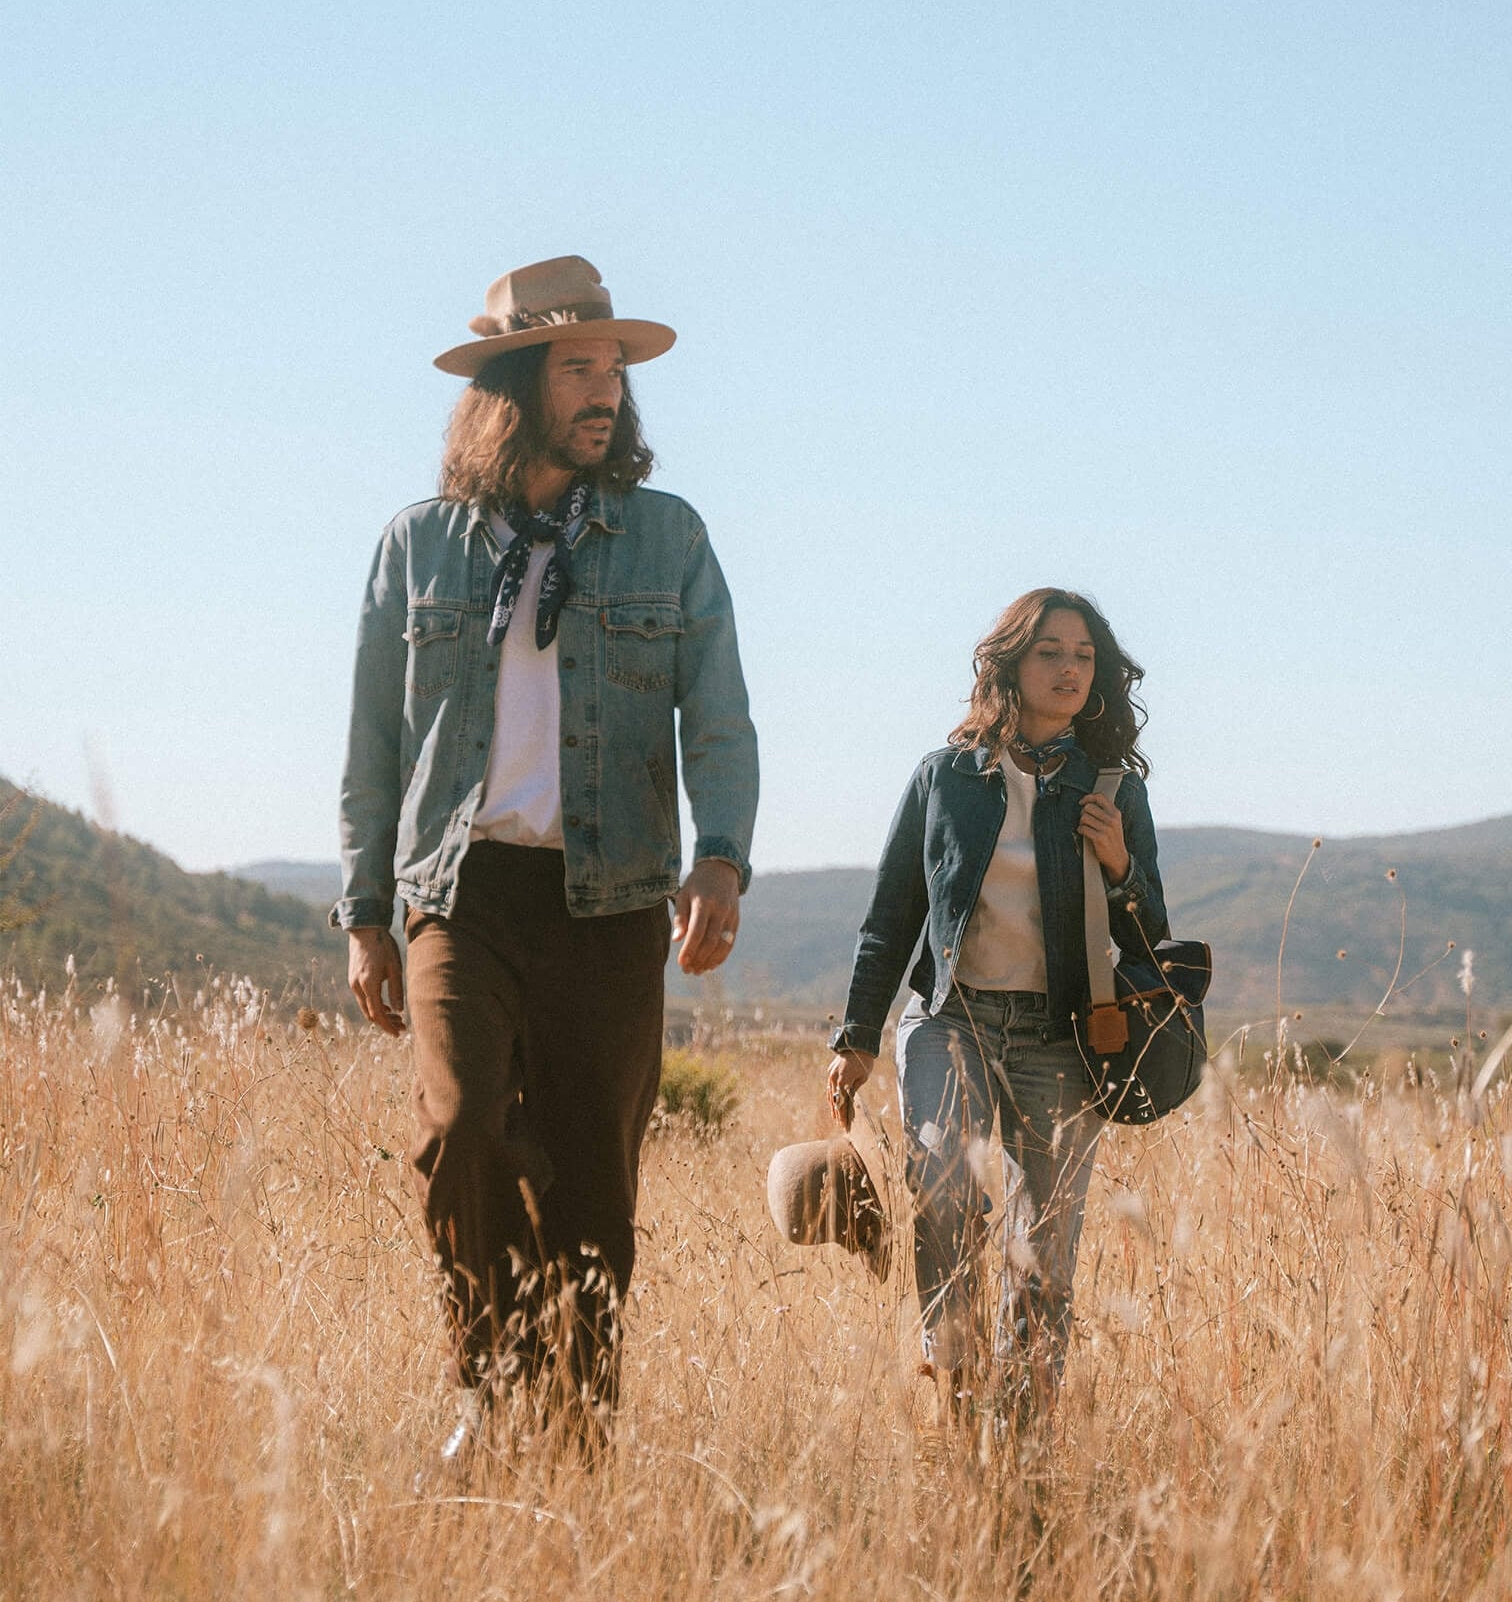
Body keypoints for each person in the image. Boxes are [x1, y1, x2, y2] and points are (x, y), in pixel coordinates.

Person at [332, 255, 758, 1453]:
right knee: (464, 1132)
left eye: (614, 369)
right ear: (515, 384)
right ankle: (487, 1377)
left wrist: (719, 857)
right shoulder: (418, 547)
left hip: (611, 895)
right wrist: (367, 911)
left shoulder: (668, 539)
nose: (607, 391)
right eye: (580, 366)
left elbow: (718, 715)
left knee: (592, 1187)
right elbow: (373, 739)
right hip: (458, 893)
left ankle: (574, 1435)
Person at [825, 589, 1167, 1431]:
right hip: (952, 1021)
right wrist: (857, 1037)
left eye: (1085, 656)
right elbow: (891, 913)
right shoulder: (944, 778)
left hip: (1061, 1039)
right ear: (1010, 664)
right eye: (1051, 652)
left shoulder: (1111, 788)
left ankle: (1024, 1426)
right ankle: (956, 1378)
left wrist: (1120, 863)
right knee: (944, 1192)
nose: (1069, 670)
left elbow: (1153, 936)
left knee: (1044, 1244)